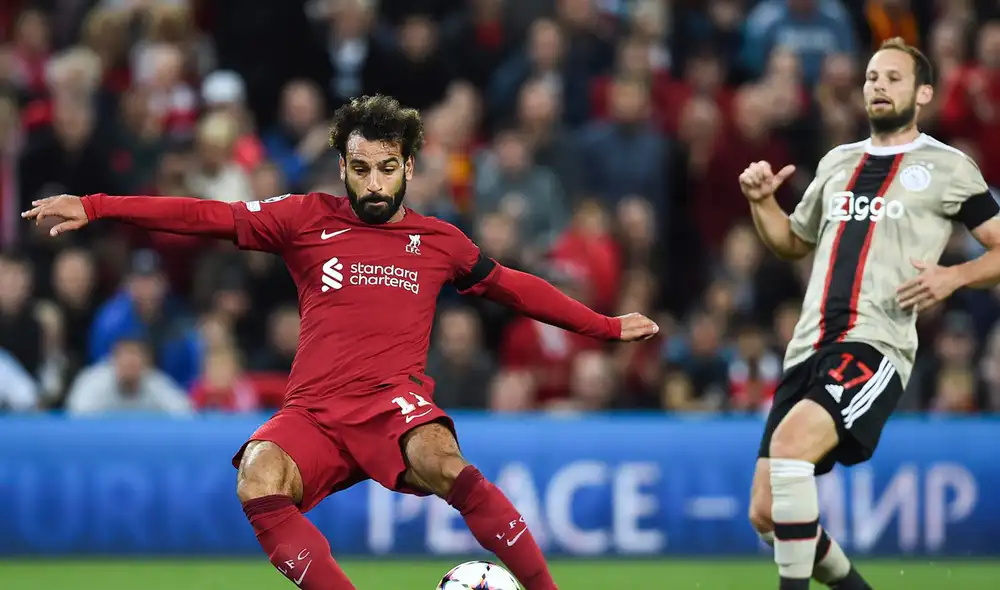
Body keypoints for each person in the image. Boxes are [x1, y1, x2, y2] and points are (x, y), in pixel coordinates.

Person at [23, 94, 658, 590]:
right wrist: (98, 205)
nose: (374, 184)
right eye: (360, 170)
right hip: (315, 412)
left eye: (387, 169)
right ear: (343, 168)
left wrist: (602, 326)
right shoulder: (304, 218)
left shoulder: (439, 241)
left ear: (409, 166)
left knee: (444, 463)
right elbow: (205, 215)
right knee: (256, 476)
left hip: (392, 404)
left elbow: (514, 287)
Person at [738, 37, 1000, 590]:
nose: (877, 85)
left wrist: (954, 276)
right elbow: (792, 242)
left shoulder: (948, 167)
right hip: (806, 347)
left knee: (790, 449)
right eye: (871, 77)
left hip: (872, 344)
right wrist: (763, 203)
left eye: (893, 77)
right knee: (767, 512)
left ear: (923, 92)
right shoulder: (839, 161)